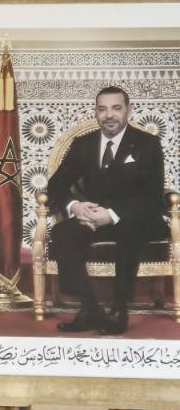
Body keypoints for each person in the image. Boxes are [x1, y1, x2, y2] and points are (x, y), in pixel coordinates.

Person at [47, 85, 165, 334]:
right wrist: (75, 206)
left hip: (136, 218)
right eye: (102, 109)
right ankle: (90, 308)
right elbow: (55, 185)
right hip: (93, 218)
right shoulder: (84, 144)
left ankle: (119, 310)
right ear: (96, 112)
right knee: (62, 233)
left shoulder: (147, 144)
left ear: (128, 111)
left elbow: (152, 198)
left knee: (129, 231)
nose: (109, 115)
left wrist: (111, 216)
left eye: (116, 108)